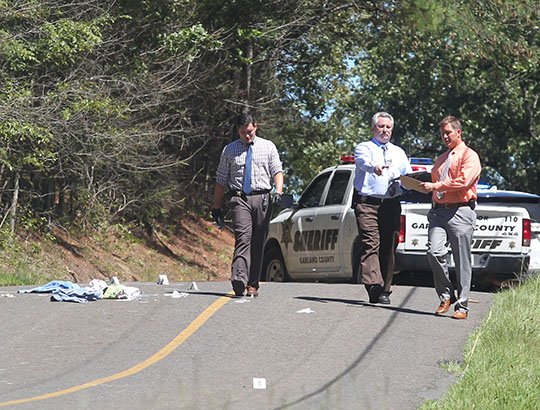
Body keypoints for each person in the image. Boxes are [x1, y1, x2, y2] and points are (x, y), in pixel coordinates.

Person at [212, 113, 283, 297]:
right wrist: (216, 207)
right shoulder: (230, 150)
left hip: (262, 198)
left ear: (255, 127)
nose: (247, 136)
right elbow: (221, 179)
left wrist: (278, 191)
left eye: (250, 132)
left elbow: (277, 170)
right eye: (243, 132)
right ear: (238, 131)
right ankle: (239, 278)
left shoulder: (268, 147)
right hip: (239, 199)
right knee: (243, 237)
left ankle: (253, 284)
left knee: (258, 242)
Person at [420, 116, 481, 320]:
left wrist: (436, 186)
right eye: (442, 133)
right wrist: (421, 186)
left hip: (461, 211)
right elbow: (436, 182)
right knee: (434, 251)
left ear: (458, 132)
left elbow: (463, 182)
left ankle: (462, 306)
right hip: (438, 212)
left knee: (462, 259)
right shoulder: (441, 159)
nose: (445, 136)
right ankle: (446, 295)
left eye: (448, 132)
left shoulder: (470, 156)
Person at [352, 112, 412, 304]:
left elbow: (408, 177)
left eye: (388, 127)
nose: (385, 130)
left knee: (388, 246)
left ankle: (385, 289)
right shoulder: (364, 148)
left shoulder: (398, 152)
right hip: (368, 203)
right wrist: (375, 167)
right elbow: (362, 163)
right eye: (381, 126)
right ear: (373, 128)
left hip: (391, 204)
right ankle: (373, 285)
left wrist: (420, 184)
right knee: (371, 243)